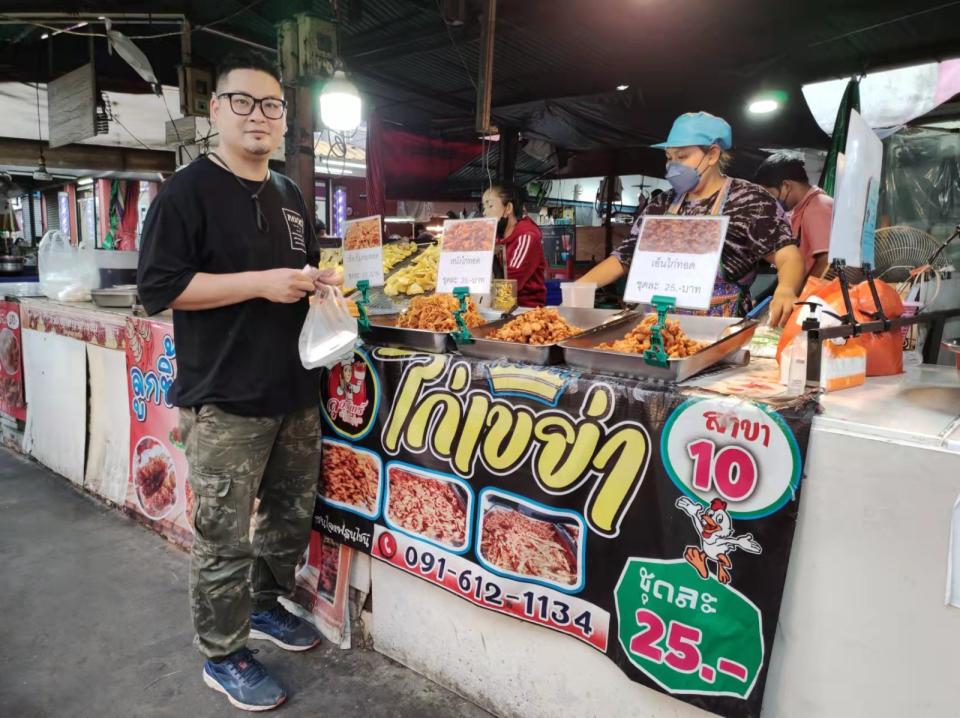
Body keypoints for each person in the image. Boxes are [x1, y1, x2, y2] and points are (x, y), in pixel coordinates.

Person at [137, 52, 340, 712]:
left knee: (287, 518)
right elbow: (159, 290)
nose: (259, 116)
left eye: (272, 106)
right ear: (216, 110)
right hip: (225, 396)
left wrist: (322, 282)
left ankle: (260, 606)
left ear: (284, 121)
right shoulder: (186, 193)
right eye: (244, 103)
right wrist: (258, 284)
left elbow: (302, 266)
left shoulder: (288, 193)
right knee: (224, 536)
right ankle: (222, 655)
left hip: (294, 389)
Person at [578, 112, 804, 327]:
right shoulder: (661, 205)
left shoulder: (749, 200)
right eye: (669, 157)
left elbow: (788, 256)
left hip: (720, 329)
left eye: (682, 156)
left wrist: (785, 289)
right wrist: (580, 287)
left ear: (712, 154)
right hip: (656, 327)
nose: (672, 165)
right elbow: (625, 257)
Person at [754, 151, 834, 278]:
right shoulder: (798, 209)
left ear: (786, 186)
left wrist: (802, 294)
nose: (770, 203)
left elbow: (826, 262)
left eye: (770, 195)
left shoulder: (818, 207)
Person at [482, 183, 547, 307]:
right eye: (484, 207)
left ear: (508, 208)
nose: (485, 212)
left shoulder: (527, 236)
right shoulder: (496, 237)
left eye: (490, 206)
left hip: (525, 311)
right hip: (498, 307)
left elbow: (510, 284)